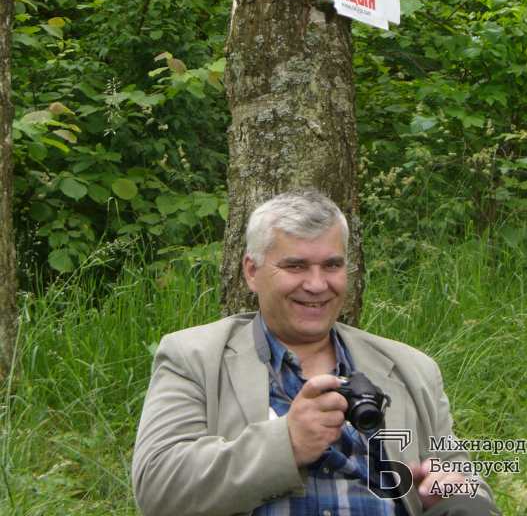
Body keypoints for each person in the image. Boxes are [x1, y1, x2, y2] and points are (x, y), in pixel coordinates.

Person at [132, 190, 501, 516]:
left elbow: (468, 483)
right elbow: (157, 487)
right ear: (252, 272)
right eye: (295, 266)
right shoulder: (194, 357)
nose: (316, 284)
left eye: (332, 265)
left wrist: (451, 488)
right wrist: (287, 444)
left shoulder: (411, 368)